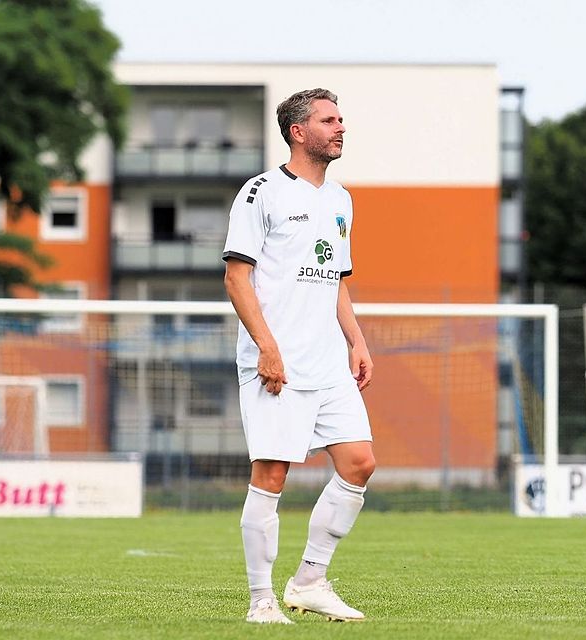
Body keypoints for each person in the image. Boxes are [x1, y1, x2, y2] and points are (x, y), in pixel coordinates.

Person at [222, 88, 375, 624]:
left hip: (328, 361)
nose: (340, 127)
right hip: (277, 364)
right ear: (298, 131)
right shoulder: (260, 192)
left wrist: (356, 340)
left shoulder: (341, 200)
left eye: (341, 119)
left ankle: (309, 580)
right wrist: (267, 348)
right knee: (271, 475)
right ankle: (261, 599)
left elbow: (336, 281)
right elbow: (236, 278)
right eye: (329, 120)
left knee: (359, 462)